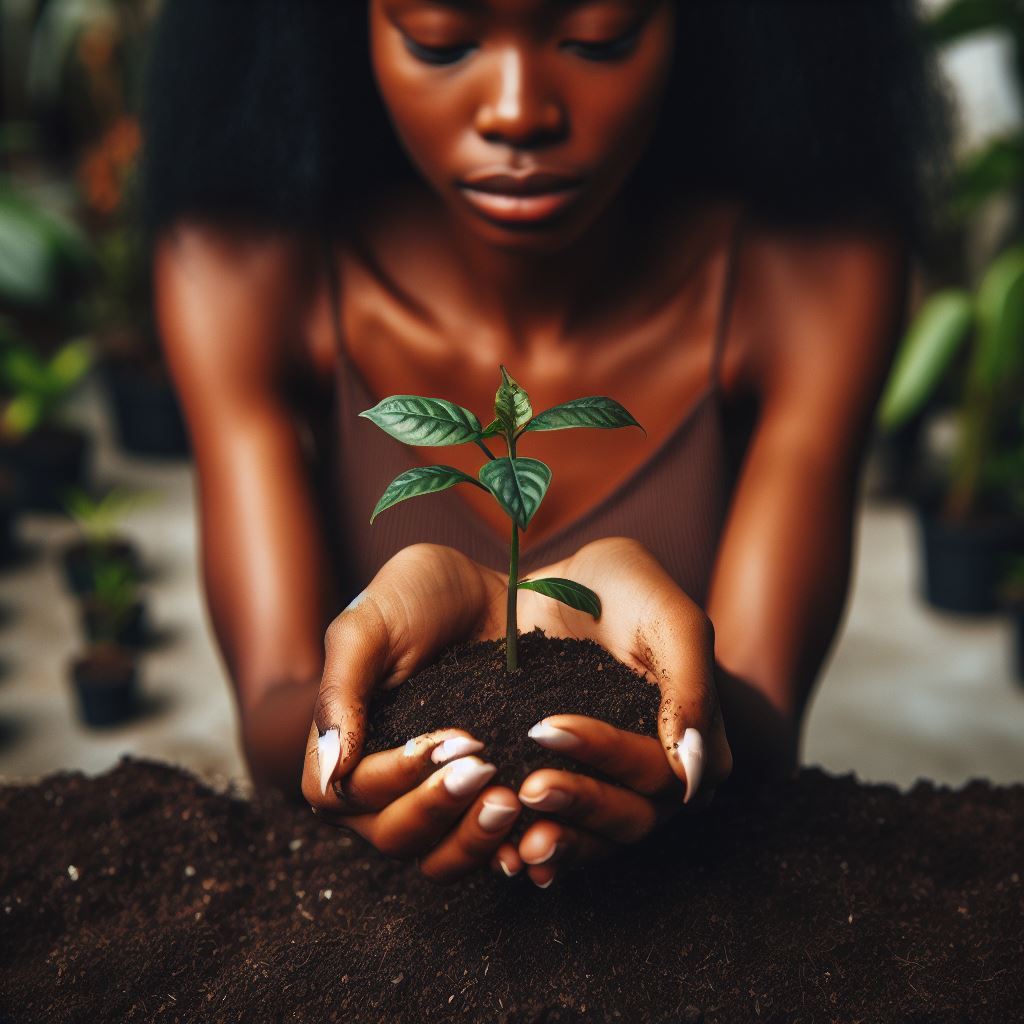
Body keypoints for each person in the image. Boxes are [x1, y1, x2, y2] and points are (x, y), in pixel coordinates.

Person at [143, 0, 952, 887]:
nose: (519, 111)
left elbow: (759, 729)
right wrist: (366, 722)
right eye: (440, 42)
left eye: (599, 37)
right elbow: (274, 714)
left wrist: (647, 699)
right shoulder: (247, 267)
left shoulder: (808, 271)